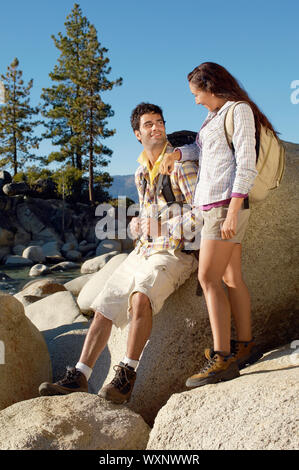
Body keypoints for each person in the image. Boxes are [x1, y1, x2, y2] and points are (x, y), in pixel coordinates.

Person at [39, 102, 199, 404]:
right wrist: (139, 225)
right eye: (148, 124)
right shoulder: (141, 173)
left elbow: (200, 215)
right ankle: (80, 376)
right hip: (144, 250)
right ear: (137, 134)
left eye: (159, 122)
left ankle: (126, 373)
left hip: (176, 252)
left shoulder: (182, 165)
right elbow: (150, 214)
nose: (156, 127)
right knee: (105, 303)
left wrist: (162, 227)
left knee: (141, 296)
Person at [160, 62, 273, 388]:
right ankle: (245, 347)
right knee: (231, 277)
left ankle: (222, 358)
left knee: (207, 277)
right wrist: (179, 153)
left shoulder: (238, 111)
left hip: (224, 206)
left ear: (210, 87)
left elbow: (246, 163)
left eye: (196, 93)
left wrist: (235, 210)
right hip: (215, 206)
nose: (195, 100)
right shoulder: (213, 117)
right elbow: (202, 147)